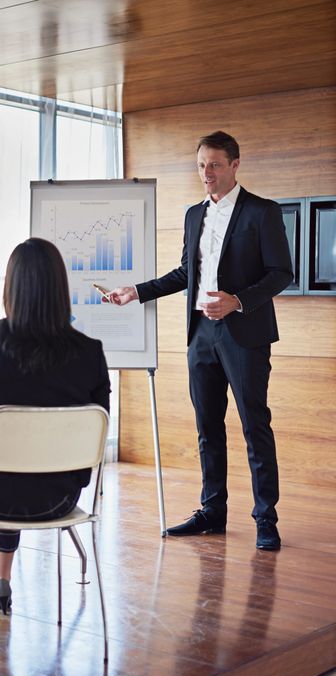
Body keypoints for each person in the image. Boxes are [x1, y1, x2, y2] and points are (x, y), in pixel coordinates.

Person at [105, 131, 293, 551]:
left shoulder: (262, 212)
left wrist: (238, 301)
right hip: (200, 335)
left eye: (214, 165)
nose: (206, 173)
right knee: (207, 427)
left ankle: (266, 519)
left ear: (234, 165)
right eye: (201, 164)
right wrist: (136, 291)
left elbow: (282, 272)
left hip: (244, 333)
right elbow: (185, 272)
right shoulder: (194, 215)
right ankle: (212, 511)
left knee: (254, 426)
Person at [0, 237, 110, 613]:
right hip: (60, 497)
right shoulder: (90, 352)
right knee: (16, 470)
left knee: (3, 472)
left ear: (10, 285)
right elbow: (97, 435)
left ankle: (0, 578)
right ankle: (1, 578)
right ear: (60, 288)